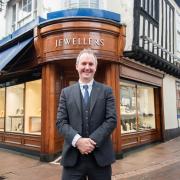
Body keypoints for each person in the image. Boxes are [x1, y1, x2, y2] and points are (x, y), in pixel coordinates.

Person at [56, 48, 117, 180]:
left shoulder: (107, 91)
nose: (87, 67)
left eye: (91, 64)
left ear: (95, 67)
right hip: (73, 159)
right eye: (84, 64)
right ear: (77, 66)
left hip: (100, 159)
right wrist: (78, 141)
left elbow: (111, 120)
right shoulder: (66, 93)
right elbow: (61, 122)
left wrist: (90, 142)